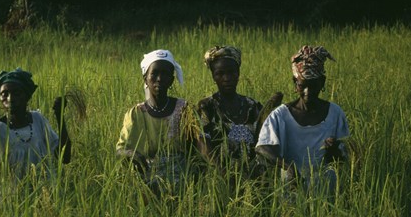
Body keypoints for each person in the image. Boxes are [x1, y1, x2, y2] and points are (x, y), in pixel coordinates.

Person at [0, 68, 71, 200]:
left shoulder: (38, 120)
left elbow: (65, 157)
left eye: (17, 93)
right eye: (4, 94)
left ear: (27, 96)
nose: (10, 98)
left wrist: (59, 117)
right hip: (13, 205)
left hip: (47, 198)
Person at [255, 45, 349, 194]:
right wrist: (288, 167)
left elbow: (345, 153)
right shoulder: (280, 116)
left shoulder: (335, 113)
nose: (307, 92)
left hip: (327, 189)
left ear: (323, 82)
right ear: (295, 83)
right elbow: (263, 147)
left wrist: (335, 148)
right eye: (302, 86)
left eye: (313, 86)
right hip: (291, 189)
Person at [116, 49, 205, 196]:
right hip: (148, 177)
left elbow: (199, 146)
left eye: (165, 74)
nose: (159, 78)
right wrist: (131, 153)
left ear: (172, 79)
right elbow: (120, 149)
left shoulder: (184, 109)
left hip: (182, 178)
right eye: (154, 73)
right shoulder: (136, 114)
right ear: (145, 78)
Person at [197, 45, 264, 179]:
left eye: (231, 72)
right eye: (220, 74)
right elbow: (203, 144)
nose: (226, 78)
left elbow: (262, 142)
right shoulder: (206, 107)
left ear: (238, 73)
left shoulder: (253, 106)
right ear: (213, 76)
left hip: (253, 176)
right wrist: (222, 173)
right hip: (219, 177)